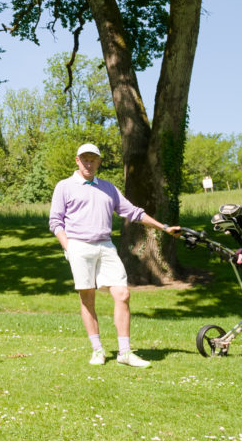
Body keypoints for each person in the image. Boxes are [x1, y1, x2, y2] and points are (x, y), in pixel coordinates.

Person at [49, 143, 180, 368]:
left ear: (99, 162)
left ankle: (125, 352)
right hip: (79, 246)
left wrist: (164, 227)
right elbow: (55, 221)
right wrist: (68, 246)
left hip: (106, 246)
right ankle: (97, 350)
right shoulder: (64, 186)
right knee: (87, 298)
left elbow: (133, 212)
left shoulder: (108, 188)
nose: (89, 163)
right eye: (85, 159)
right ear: (77, 160)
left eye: (93, 159)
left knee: (122, 294)